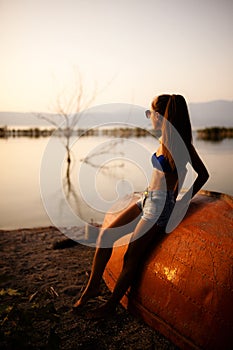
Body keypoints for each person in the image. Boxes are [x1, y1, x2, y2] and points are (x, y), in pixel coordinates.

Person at [73, 94, 209, 318]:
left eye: (150, 113)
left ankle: (110, 306)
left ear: (161, 115)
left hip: (159, 207)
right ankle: (93, 287)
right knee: (105, 236)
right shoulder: (164, 140)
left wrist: (183, 202)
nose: (149, 117)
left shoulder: (181, 145)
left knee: (131, 255)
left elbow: (202, 174)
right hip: (146, 198)